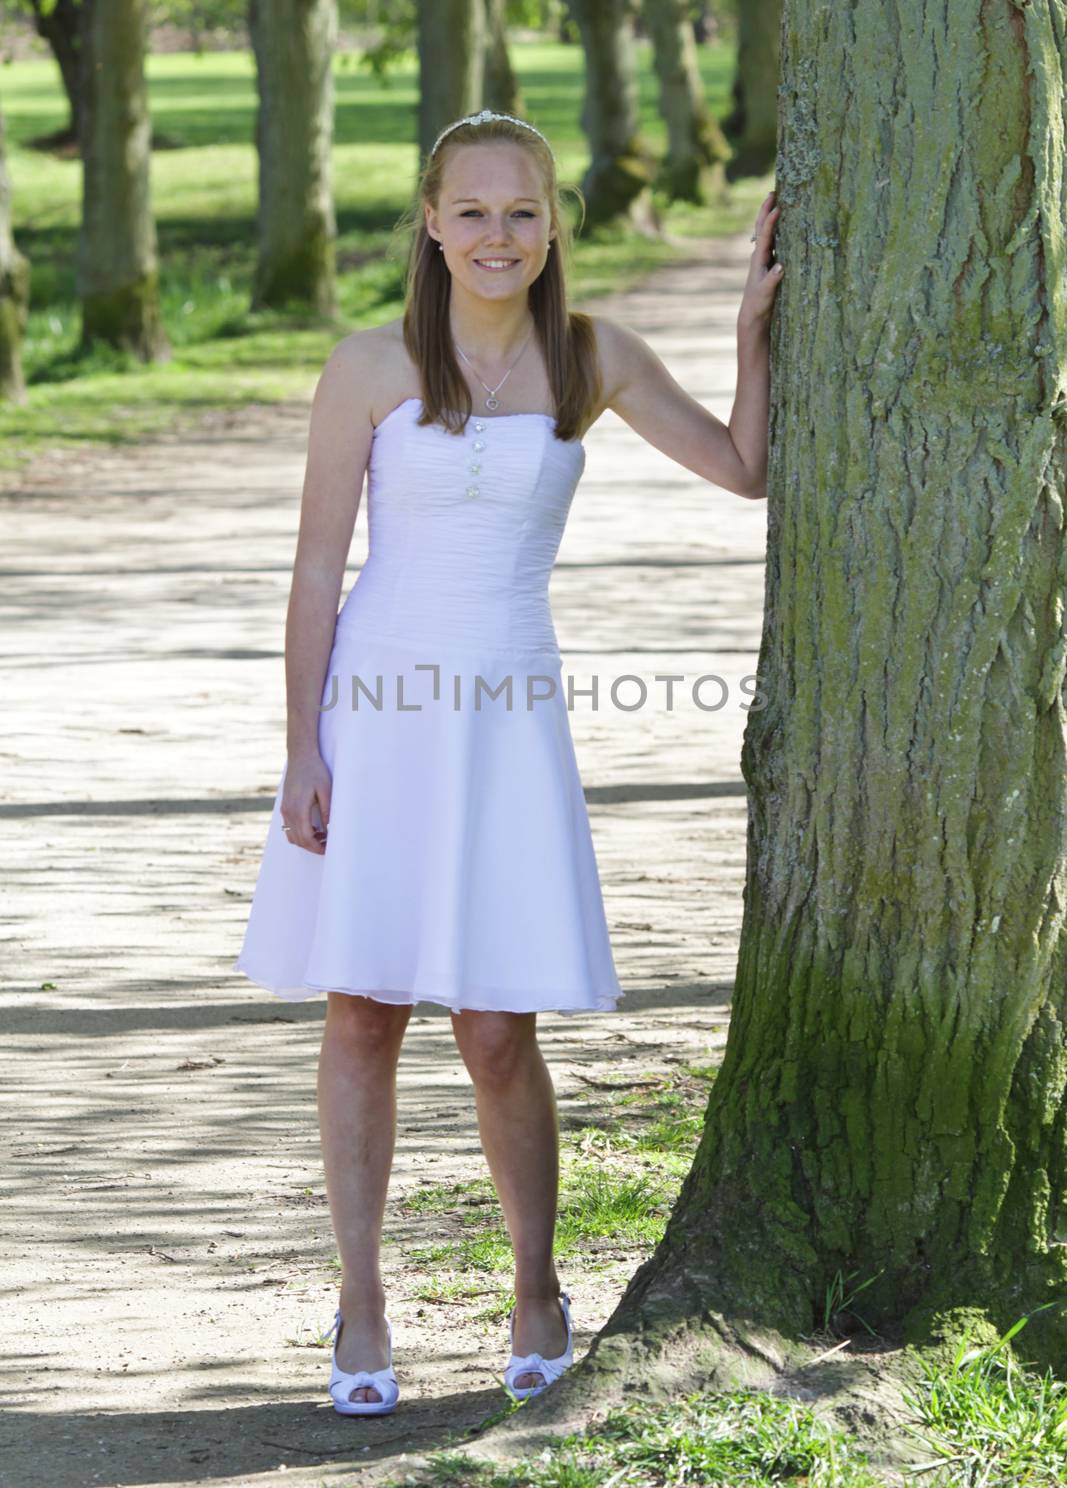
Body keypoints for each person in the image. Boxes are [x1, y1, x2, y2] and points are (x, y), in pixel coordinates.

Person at [234, 108, 782, 1415]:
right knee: (360, 1007)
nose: (497, 235)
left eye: (521, 211)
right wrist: (301, 746)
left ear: (554, 226)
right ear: (429, 221)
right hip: (376, 710)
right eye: (471, 211)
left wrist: (751, 340)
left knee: (494, 1028)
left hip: (505, 714)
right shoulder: (367, 369)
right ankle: (360, 1307)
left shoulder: (590, 356)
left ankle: (537, 1290)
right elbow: (317, 569)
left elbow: (745, 469)